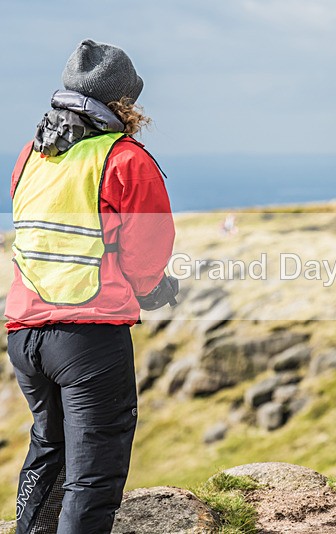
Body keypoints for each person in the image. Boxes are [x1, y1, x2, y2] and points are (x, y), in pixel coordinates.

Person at [5, 39, 178, 533]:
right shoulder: (124, 158)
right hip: (88, 340)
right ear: (123, 102)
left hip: (24, 336)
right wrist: (156, 290)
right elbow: (147, 256)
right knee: (92, 477)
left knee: (48, 450)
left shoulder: (30, 154)